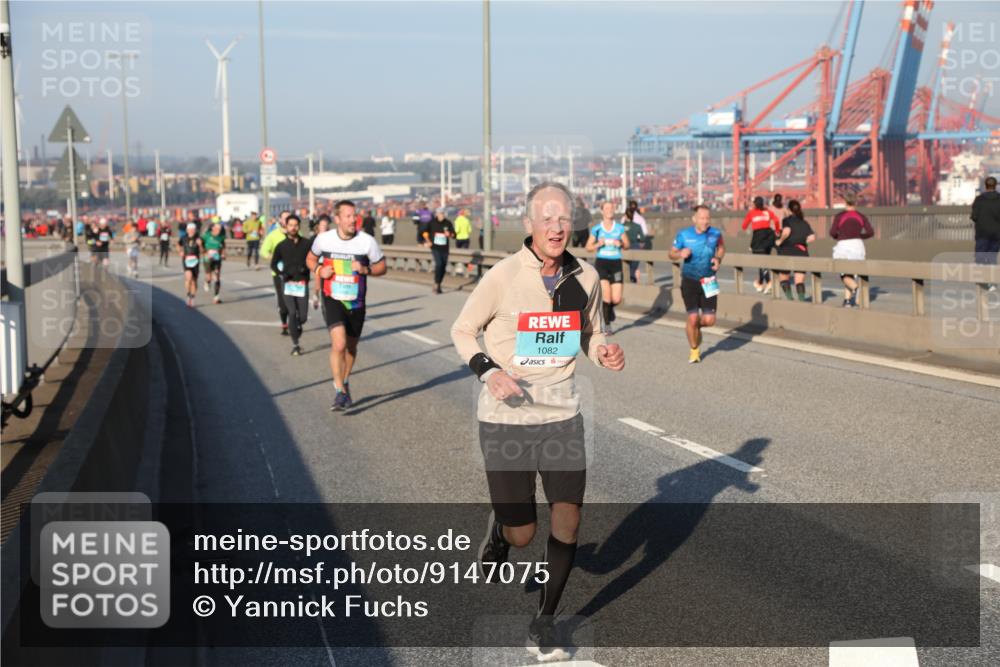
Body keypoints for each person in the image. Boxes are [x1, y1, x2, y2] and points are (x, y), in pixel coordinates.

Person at [450, 182, 625, 661]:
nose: (557, 226)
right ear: (528, 224)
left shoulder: (585, 276)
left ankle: (543, 623)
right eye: (547, 218)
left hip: (562, 414)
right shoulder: (504, 277)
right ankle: (501, 532)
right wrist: (489, 372)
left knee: (568, 519)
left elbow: (590, 333)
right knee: (524, 532)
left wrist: (603, 349)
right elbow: (463, 330)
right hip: (506, 417)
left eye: (564, 218)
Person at [306, 200, 387, 411]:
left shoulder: (366, 242)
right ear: (338, 219)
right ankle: (339, 391)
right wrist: (318, 271)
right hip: (332, 297)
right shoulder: (324, 240)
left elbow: (382, 267)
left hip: (357, 301)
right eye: (349, 216)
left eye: (355, 216)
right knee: (339, 344)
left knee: (351, 347)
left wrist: (365, 270)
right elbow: (310, 259)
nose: (353, 220)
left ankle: (346, 380)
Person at [669, 205, 725, 364]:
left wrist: (718, 258)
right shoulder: (684, 235)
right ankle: (694, 350)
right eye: (702, 218)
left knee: (709, 321)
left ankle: (694, 327)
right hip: (690, 281)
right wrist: (680, 253)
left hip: (709, 281)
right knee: (693, 318)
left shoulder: (715, 233)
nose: (705, 221)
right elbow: (671, 253)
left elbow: (721, 248)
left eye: (708, 218)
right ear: (695, 219)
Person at [271, 214, 313, 356]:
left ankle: (298, 325)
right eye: (290, 225)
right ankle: (295, 344)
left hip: (302, 284)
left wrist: (306, 268)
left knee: (303, 316)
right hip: (288, 284)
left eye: (296, 225)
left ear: (299, 227)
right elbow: (273, 264)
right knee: (292, 313)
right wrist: (281, 274)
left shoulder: (307, 244)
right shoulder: (281, 246)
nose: (293, 228)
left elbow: (314, 260)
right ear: (286, 227)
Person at [585, 201, 630, 326]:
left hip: (616, 263)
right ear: (602, 211)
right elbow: (588, 247)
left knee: (616, 299)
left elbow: (627, 244)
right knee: (607, 297)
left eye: (611, 208)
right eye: (607, 208)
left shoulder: (619, 228)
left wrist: (620, 244)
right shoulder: (597, 229)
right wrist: (598, 244)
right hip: (602, 263)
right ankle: (607, 324)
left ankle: (609, 309)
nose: (609, 210)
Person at [830, 194, 874, 307]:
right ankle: (847, 301)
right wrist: (859, 236)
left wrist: (839, 237)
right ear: (856, 202)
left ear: (845, 202)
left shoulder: (840, 216)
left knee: (844, 274)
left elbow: (832, 232)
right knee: (851, 273)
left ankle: (856, 288)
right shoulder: (861, 216)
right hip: (858, 246)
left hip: (844, 245)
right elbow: (870, 232)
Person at [774, 199, 815, 301]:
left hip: (787, 251)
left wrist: (780, 241)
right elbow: (812, 237)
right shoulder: (804, 222)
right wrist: (801, 241)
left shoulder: (786, 220)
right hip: (802, 251)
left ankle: (790, 298)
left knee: (783, 277)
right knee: (799, 280)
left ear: (788, 210)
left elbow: (787, 231)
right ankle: (801, 300)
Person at [741, 196, 781, 293]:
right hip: (769, 236)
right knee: (763, 261)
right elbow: (776, 220)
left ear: (755, 204)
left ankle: (769, 282)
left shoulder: (752, 213)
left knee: (761, 261)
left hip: (758, 237)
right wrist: (777, 231)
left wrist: (751, 223)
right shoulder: (767, 212)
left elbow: (744, 227)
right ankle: (760, 283)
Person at [261, 215, 290, 334]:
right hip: (278, 273)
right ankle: (284, 323)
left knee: (296, 299)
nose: (288, 220)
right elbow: (263, 251)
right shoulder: (273, 235)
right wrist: (273, 258)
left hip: (295, 273)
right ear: (280, 220)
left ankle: (295, 320)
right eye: (285, 218)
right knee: (283, 300)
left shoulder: (298, 234)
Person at [971, 176, 1000, 291]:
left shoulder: (979, 200)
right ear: (995, 185)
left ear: (986, 185)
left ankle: (982, 281)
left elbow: (974, 217)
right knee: (992, 258)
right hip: (996, 235)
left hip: (982, 234)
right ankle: (992, 282)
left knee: (980, 258)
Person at [423, 208, 455, 294]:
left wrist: (450, 234)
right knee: (439, 264)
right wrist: (428, 241)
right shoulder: (432, 222)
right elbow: (424, 232)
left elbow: (454, 235)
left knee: (444, 267)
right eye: (440, 213)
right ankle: (436, 284)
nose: (442, 215)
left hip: (445, 248)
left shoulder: (448, 223)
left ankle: (438, 284)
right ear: (437, 214)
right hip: (435, 247)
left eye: (443, 213)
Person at [178, 222, 204, 308]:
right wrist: (180, 251)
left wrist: (200, 245)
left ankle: (192, 297)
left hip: (195, 260)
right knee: (188, 278)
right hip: (186, 260)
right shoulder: (183, 238)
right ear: (187, 230)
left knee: (194, 281)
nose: (191, 231)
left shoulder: (199, 238)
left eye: (193, 230)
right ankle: (188, 294)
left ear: (195, 230)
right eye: (190, 230)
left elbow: (203, 251)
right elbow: (178, 245)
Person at [201, 221, 227, 304]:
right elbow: (200, 244)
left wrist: (223, 254)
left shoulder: (221, 237)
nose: (218, 230)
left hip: (217, 258)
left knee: (217, 276)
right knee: (209, 277)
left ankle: (216, 297)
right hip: (207, 258)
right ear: (213, 228)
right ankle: (207, 282)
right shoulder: (207, 235)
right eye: (217, 228)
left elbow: (223, 246)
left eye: (220, 229)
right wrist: (205, 253)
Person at [622, 201, 647, 283]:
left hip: (624, 247)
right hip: (636, 246)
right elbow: (644, 236)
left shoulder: (621, 226)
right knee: (635, 268)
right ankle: (635, 281)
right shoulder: (639, 222)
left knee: (625, 267)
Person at [312, 214, 331, 310]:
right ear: (318, 226)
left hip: (328, 263)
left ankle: (326, 301)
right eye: (322, 225)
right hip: (318, 263)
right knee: (318, 281)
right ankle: (316, 295)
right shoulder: (314, 238)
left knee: (327, 285)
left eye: (326, 225)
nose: (324, 227)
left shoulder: (331, 237)